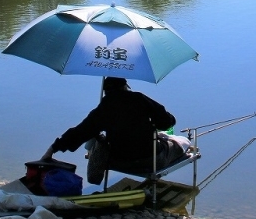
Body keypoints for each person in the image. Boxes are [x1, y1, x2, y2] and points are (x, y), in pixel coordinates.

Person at [41, 77, 189, 183]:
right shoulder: (139, 99)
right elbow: (167, 122)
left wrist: (53, 148)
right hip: (150, 160)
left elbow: (80, 132)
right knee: (179, 142)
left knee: (98, 138)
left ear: (106, 91)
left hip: (119, 160)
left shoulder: (104, 108)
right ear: (125, 86)